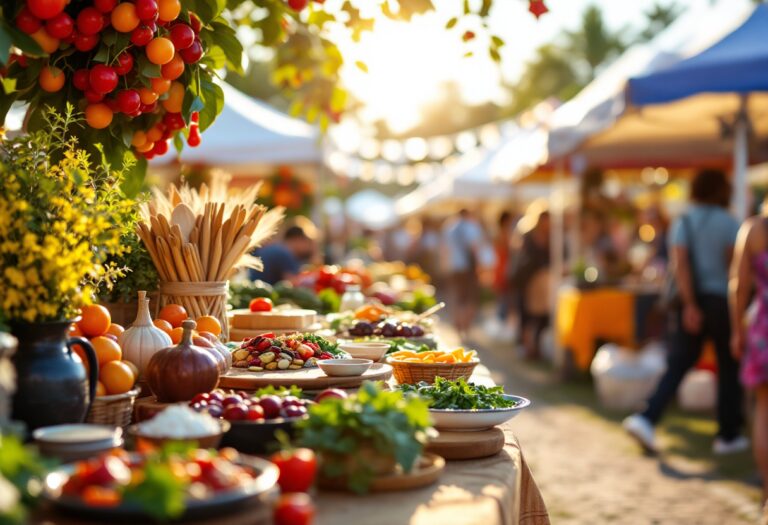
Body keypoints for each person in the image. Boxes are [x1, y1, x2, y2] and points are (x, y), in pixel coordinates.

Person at [624, 169, 746, 454]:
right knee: (728, 367)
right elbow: (735, 271)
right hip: (722, 302)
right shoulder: (730, 223)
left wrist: (690, 304)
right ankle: (728, 436)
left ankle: (647, 417)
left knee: (679, 363)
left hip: (690, 303)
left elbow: (680, 266)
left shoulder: (684, 222)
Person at [729, 208, 768, 509]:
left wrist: (737, 330)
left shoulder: (755, 230)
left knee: (764, 410)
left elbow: (739, 285)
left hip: (763, 330)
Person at [508, 207, 551, 359]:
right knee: (526, 314)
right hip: (526, 281)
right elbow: (521, 258)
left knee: (541, 317)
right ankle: (527, 347)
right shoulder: (528, 236)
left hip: (542, 282)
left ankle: (535, 347)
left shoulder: (551, 237)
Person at [443, 209, 484, 338]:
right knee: (469, 297)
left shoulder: (449, 227)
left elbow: (444, 249)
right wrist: (479, 265)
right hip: (468, 267)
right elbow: (475, 247)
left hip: (453, 266)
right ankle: (466, 325)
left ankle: (457, 323)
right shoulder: (471, 227)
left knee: (457, 296)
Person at [248, 225, 315, 285]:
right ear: (297, 239)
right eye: (307, 242)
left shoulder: (277, 248)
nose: (309, 246)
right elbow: (292, 283)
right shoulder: (285, 253)